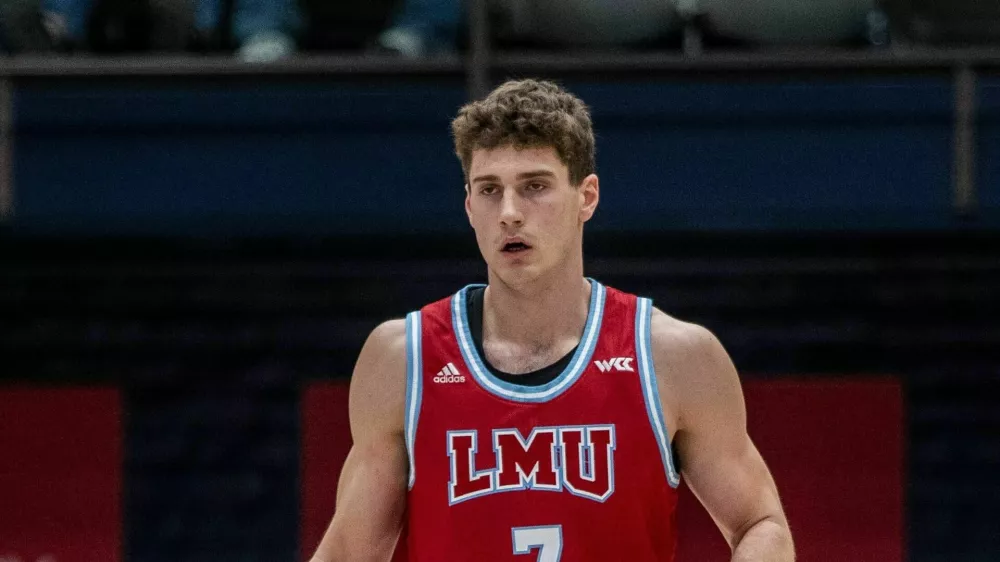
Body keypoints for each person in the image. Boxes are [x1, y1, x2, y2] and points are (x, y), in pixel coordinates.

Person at [310, 79, 795, 561]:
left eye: (534, 186)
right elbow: (348, 553)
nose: (510, 213)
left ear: (586, 197)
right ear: (468, 206)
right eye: (489, 190)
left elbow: (760, 523)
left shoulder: (672, 355)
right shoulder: (403, 359)